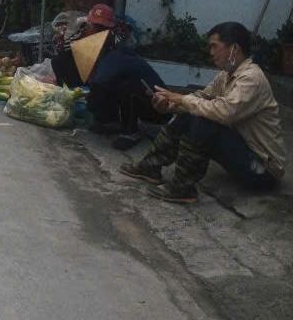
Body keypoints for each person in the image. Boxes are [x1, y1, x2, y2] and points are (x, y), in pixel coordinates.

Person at [121, 22, 285, 203]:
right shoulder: (226, 75)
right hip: (242, 153)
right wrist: (169, 105)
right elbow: (200, 98)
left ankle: (182, 188)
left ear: (234, 49)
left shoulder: (252, 78)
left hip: (262, 170)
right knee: (194, 111)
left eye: (214, 46)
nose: (211, 52)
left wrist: (182, 99)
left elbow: (224, 112)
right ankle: (150, 167)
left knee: (205, 119)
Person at [51, 4, 163, 145]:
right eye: (95, 26)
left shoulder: (116, 44)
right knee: (60, 60)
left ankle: (130, 130)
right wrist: (83, 36)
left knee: (122, 85)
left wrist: (91, 101)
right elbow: (65, 49)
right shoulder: (85, 34)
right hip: (102, 76)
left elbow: (103, 79)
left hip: (155, 105)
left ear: (110, 28)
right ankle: (108, 120)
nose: (98, 31)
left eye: (102, 28)